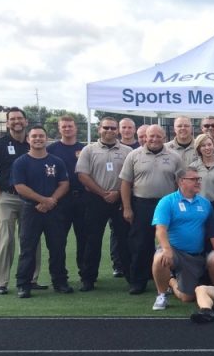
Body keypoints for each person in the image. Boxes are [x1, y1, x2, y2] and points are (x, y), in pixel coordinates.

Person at [120, 125, 184, 295]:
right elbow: (125, 183)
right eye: (151, 136)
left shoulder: (174, 157)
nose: (154, 139)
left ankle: (171, 280)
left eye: (158, 136)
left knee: (169, 243)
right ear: (144, 137)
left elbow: (181, 183)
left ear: (164, 137)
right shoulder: (134, 155)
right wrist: (127, 207)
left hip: (166, 204)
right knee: (140, 243)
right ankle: (138, 281)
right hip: (141, 204)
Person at [0, 107, 42, 294]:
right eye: (12, 119)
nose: (17, 121)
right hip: (7, 198)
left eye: (20, 118)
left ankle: (31, 278)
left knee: (31, 239)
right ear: (8, 122)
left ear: (26, 121)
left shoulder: (33, 142)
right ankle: (1, 281)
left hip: (30, 199)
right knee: (5, 239)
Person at [11, 126, 72, 298]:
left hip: (54, 210)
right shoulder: (21, 162)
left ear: (47, 139)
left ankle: (60, 282)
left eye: (41, 136)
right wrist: (42, 200)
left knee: (58, 247)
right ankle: (24, 284)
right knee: (28, 249)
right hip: (31, 210)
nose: (38, 139)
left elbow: (64, 184)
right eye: (34, 136)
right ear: (28, 140)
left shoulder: (56, 161)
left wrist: (51, 201)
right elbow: (20, 187)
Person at [75, 117, 133, 291]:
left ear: (118, 130)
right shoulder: (89, 150)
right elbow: (82, 175)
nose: (109, 131)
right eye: (106, 128)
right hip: (95, 199)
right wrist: (102, 193)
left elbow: (132, 177)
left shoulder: (127, 150)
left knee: (125, 240)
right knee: (92, 240)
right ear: (99, 129)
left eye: (113, 128)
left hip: (120, 199)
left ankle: (132, 277)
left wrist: (117, 194)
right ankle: (88, 278)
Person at [150, 167, 212, 310]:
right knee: (160, 258)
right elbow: (160, 229)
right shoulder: (167, 201)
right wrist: (166, 249)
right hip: (174, 250)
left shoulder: (205, 204)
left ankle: (171, 281)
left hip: (194, 256)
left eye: (198, 179)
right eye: (193, 179)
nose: (198, 182)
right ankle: (161, 295)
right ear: (181, 182)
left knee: (187, 297)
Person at [46, 115, 88, 290]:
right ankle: (59, 279)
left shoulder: (85, 149)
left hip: (82, 200)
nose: (67, 129)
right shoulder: (51, 149)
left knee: (84, 241)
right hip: (60, 202)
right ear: (59, 128)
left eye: (70, 126)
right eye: (64, 126)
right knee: (57, 242)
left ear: (75, 128)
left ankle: (86, 276)